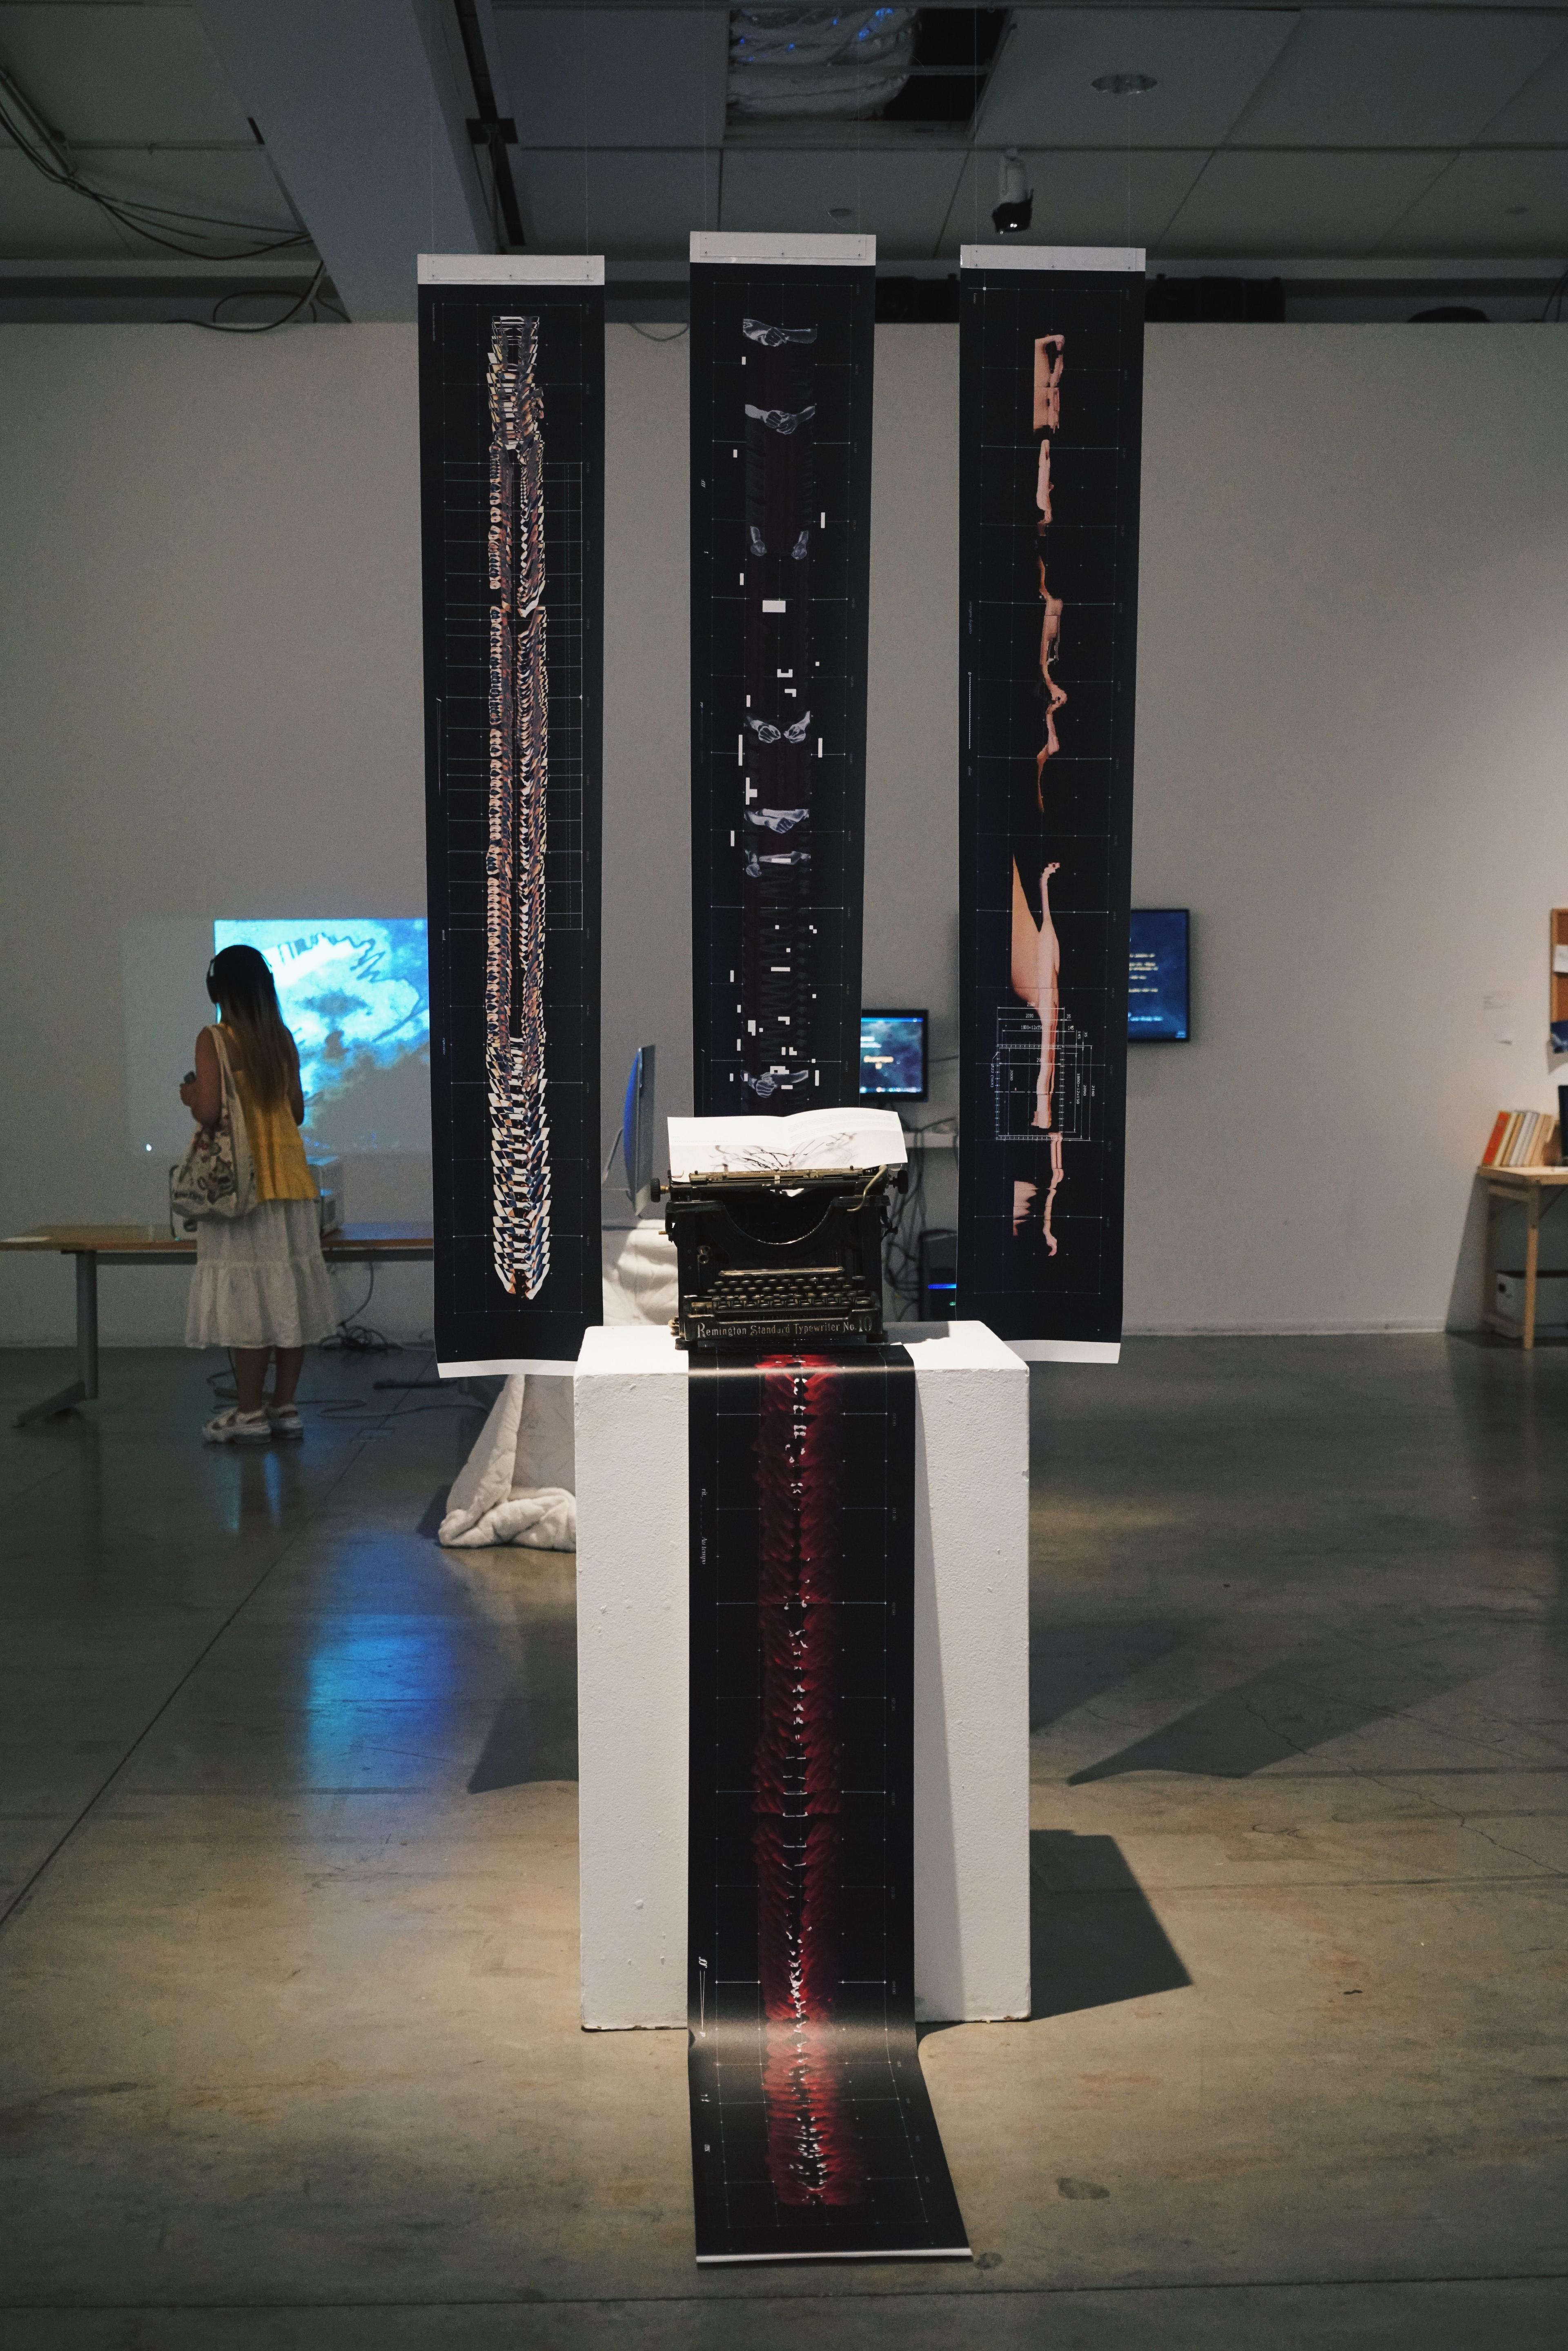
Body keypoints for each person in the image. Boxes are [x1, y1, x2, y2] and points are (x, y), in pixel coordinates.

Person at [180, 945, 337, 1444]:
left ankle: (248, 1413)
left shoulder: (214, 1039)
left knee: (249, 1301)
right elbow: (295, 1113)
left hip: (242, 1188)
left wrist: (189, 1097)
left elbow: (208, 1111)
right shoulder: (282, 1038)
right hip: (289, 1182)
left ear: (217, 989)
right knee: (288, 1294)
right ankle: (284, 1406)